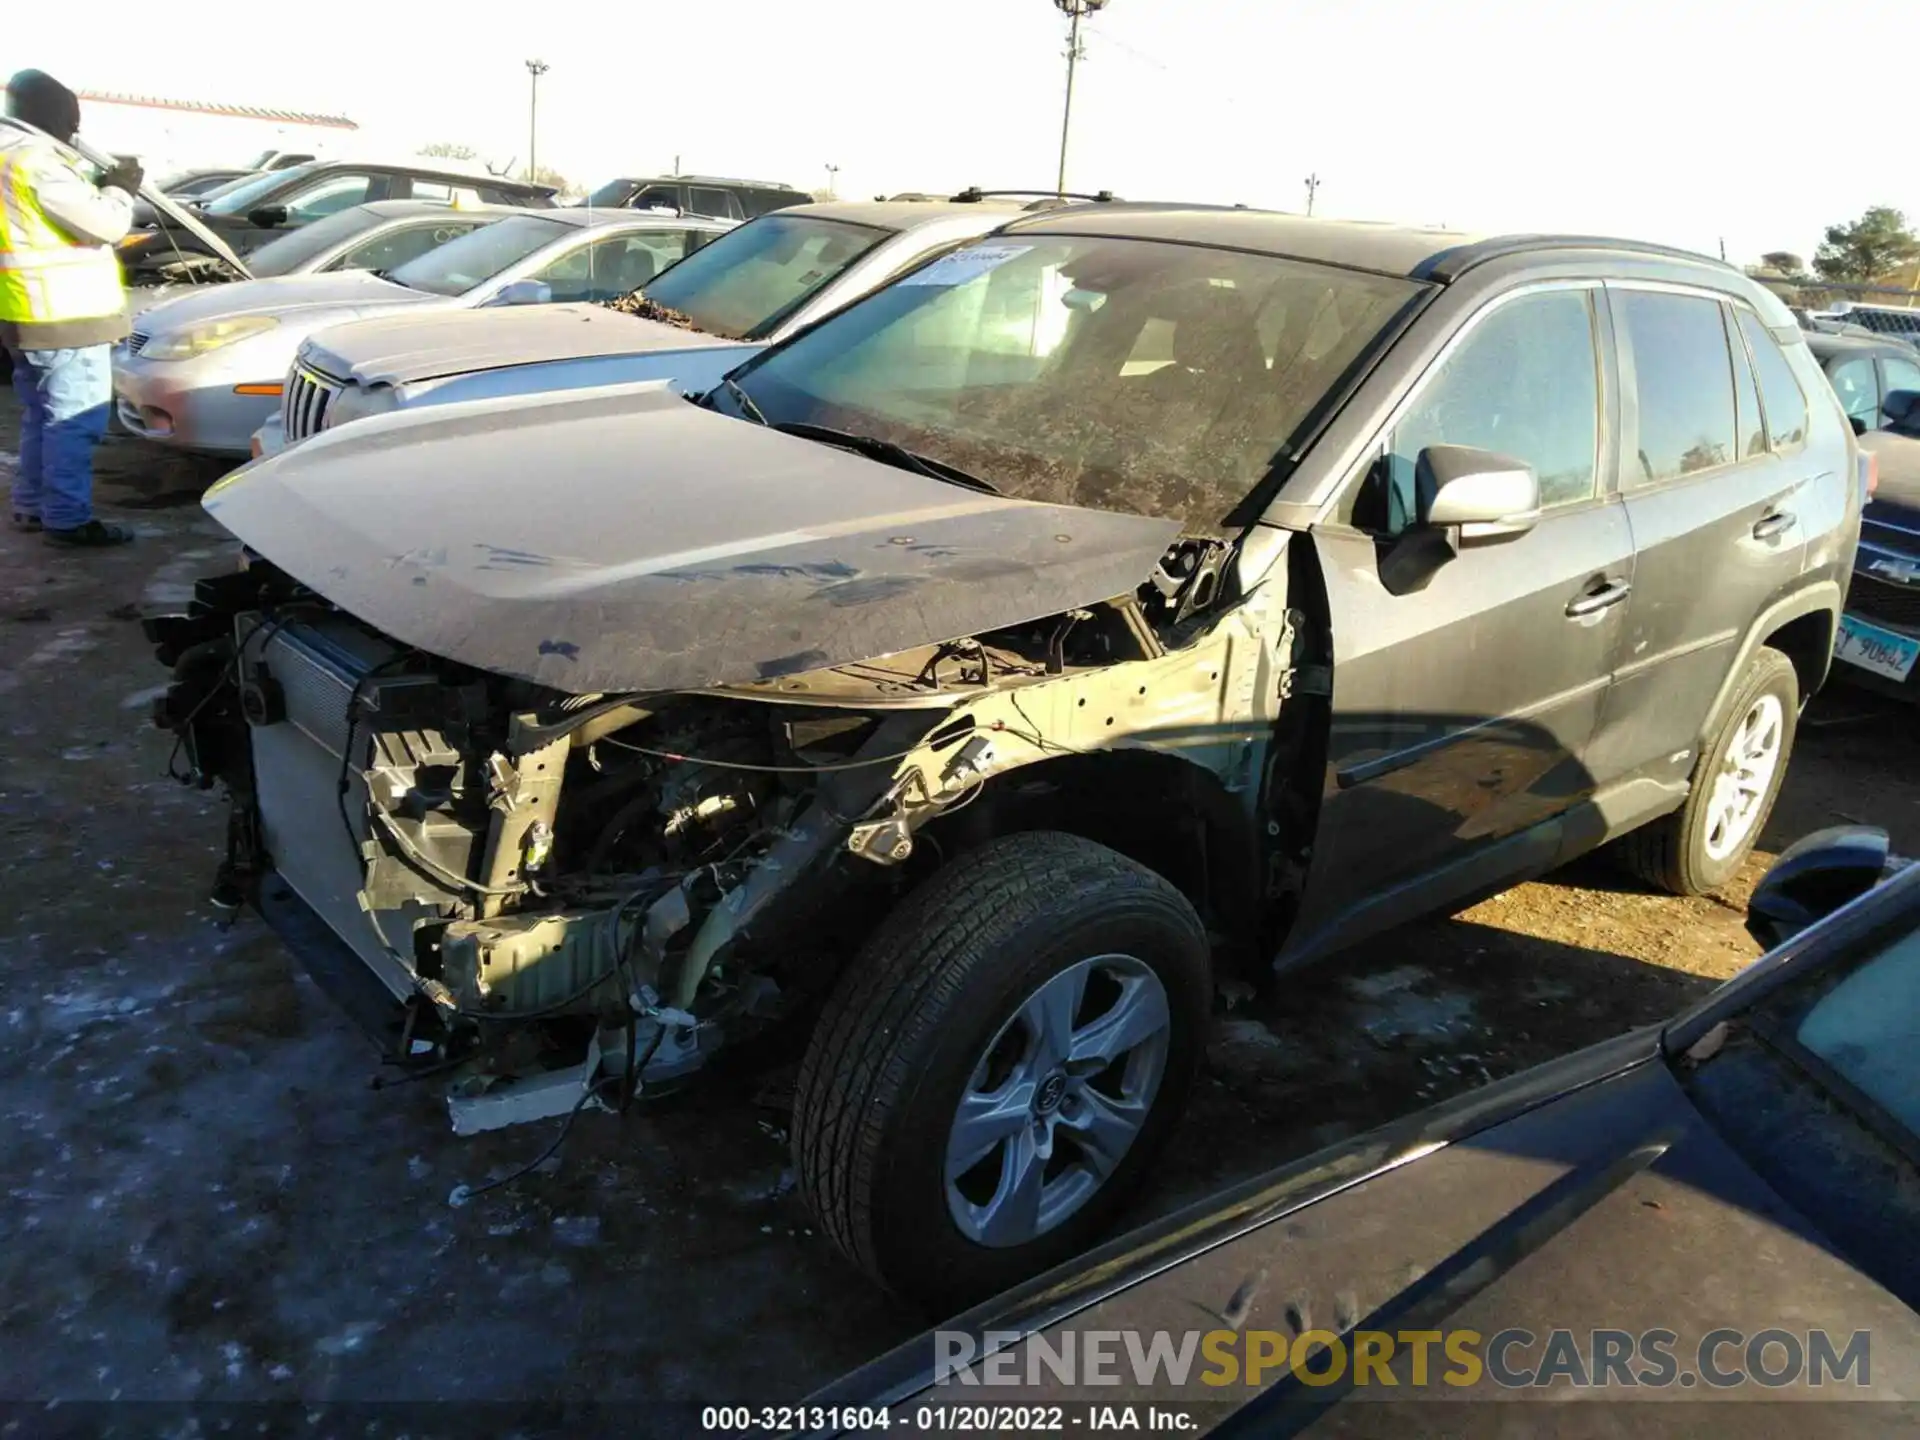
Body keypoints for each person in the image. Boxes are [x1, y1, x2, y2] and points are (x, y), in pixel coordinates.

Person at [1, 69, 143, 547]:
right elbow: (104, 225)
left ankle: (32, 506)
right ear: (59, 115)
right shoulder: (38, 163)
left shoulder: (8, 157)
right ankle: (66, 519)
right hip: (66, 315)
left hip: (25, 313)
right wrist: (121, 189)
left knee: (43, 417)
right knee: (74, 421)